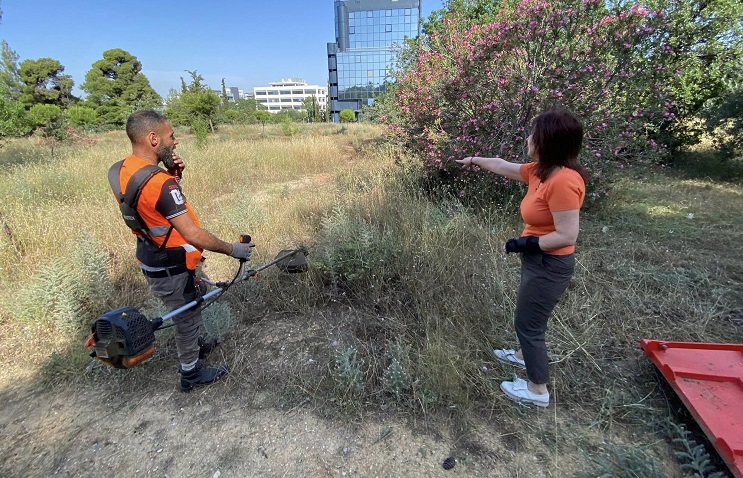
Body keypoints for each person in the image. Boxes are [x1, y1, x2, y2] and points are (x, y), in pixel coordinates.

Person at [456, 108, 588, 407]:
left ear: (547, 141)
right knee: (529, 317)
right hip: (540, 260)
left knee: (528, 325)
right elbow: (503, 165)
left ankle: (537, 390)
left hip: (550, 263)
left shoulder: (564, 181)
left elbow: (567, 235)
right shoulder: (541, 171)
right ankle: (520, 356)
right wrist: (475, 161)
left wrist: (525, 244)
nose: (528, 138)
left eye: (533, 134)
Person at [113, 110, 253, 392]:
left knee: (195, 299)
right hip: (171, 264)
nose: (175, 142)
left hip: (152, 258)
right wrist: (232, 249)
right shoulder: (159, 183)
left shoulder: (120, 170)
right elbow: (192, 233)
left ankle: (197, 346)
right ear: (153, 139)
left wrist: (173, 177)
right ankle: (190, 372)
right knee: (186, 318)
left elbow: (150, 208)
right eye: (171, 136)